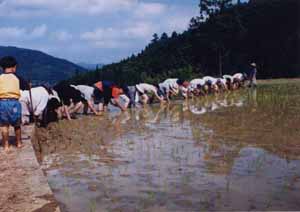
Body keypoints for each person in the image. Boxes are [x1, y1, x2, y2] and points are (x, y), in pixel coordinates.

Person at [0, 56, 22, 151]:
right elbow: (25, 86)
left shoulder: (0, 78)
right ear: (14, 67)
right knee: (17, 125)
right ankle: (18, 143)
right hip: (15, 103)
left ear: (2, 68)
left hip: (3, 102)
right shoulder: (17, 78)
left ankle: (6, 145)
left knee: (4, 125)